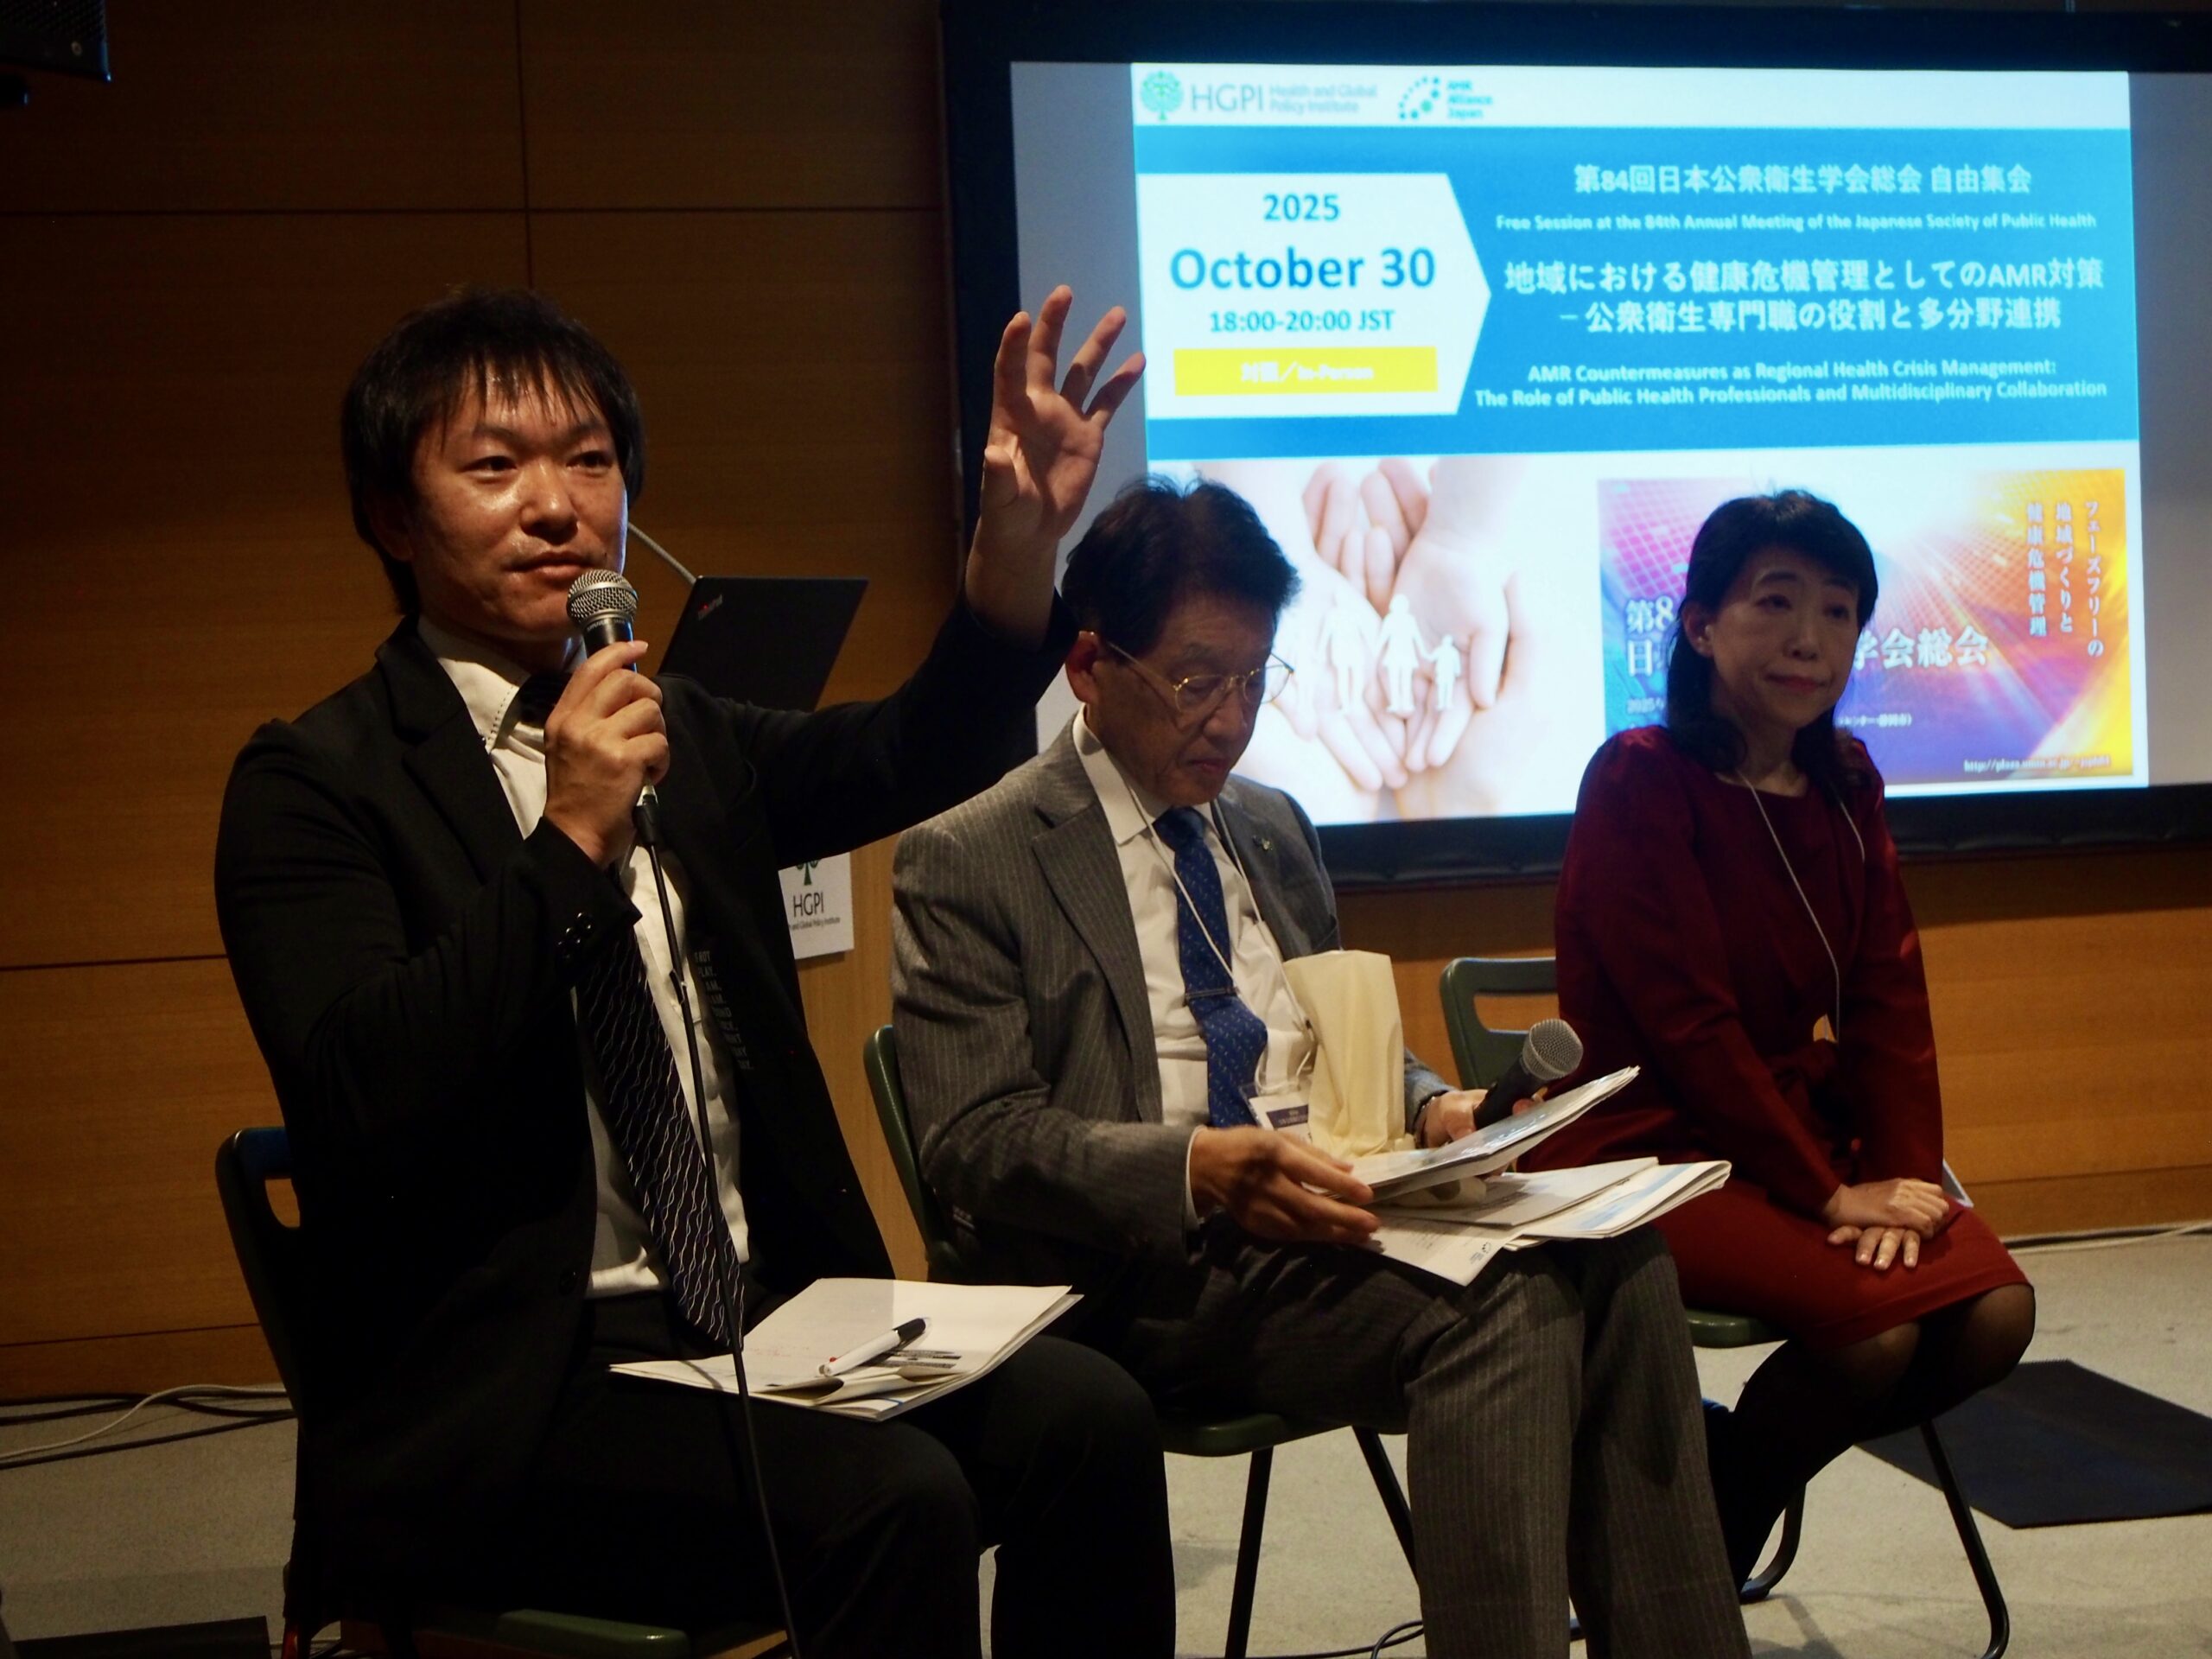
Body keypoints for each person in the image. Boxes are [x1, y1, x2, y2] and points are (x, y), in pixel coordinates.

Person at [213, 285, 1175, 1658]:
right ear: (392, 516)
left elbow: (910, 753)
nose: (556, 505)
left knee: (1093, 1420)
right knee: (893, 1503)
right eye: (494, 466)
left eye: (590, 461)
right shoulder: (315, 783)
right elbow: (363, 1088)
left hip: (764, 1318)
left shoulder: (687, 734)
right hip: (519, 1392)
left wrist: (1015, 556)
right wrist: (569, 840)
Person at [891, 476, 1753, 1659]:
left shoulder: (1271, 826)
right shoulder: (974, 855)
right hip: (1147, 1273)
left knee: (1624, 1262)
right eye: (1197, 681)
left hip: (1335, 1213)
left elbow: (1341, 1042)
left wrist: (1434, 1108)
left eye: (1256, 679)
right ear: (1089, 666)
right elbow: (973, 1139)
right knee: (1504, 1307)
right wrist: (1196, 1168)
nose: (1230, 719)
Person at [1524, 489, 2036, 1581]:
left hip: (1787, 1129)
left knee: (1995, 1315)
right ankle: (1691, 1571)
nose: (1810, 638)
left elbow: (1888, 997)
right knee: (1875, 1337)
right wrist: (1829, 1197)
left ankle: (1699, 1510)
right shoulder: (1640, 778)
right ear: (1701, 625)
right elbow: (1688, 1027)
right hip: (1646, 1146)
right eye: (1775, 602)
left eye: (1838, 610)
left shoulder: (1844, 782)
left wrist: (1904, 1179)